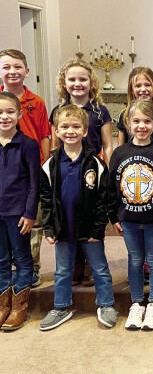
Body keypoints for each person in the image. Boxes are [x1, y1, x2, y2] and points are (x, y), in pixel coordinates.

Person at [39, 105, 117, 331]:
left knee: (100, 267)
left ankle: (107, 304)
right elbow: (46, 199)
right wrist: (49, 228)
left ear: (85, 131)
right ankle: (61, 307)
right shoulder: (50, 164)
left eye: (76, 126)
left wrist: (98, 229)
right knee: (62, 270)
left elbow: (103, 199)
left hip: (89, 228)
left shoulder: (96, 163)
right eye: (64, 126)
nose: (70, 130)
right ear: (56, 131)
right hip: (63, 228)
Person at [108, 99, 153, 331]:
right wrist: (113, 216)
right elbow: (112, 186)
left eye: (147, 121)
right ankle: (136, 303)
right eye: (136, 121)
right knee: (134, 259)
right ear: (127, 124)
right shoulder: (119, 153)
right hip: (129, 219)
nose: (141, 126)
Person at [50, 60, 114, 287]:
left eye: (83, 79)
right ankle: (75, 265)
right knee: (68, 214)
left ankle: (88, 263)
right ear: (64, 83)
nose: (77, 84)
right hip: (67, 169)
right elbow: (55, 144)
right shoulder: (58, 111)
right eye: (72, 79)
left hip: (91, 171)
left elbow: (107, 143)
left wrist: (106, 168)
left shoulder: (99, 110)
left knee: (89, 214)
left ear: (91, 82)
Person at [0, 49, 51, 288]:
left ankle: (33, 269)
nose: (12, 71)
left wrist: (45, 165)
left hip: (30, 168)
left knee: (31, 224)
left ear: (26, 71)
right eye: (6, 67)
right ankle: (8, 273)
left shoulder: (36, 102)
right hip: (5, 166)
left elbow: (44, 136)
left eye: (17, 66)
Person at [0, 91, 40, 330]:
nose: (4, 117)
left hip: (18, 213)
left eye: (9, 112)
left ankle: (19, 306)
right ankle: (3, 305)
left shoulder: (28, 145)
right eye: (0, 113)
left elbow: (35, 183)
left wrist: (30, 213)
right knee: (1, 259)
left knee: (22, 258)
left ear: (19, 114)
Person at [117, 67, 153, 156]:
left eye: (147, 85)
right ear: (131, 89)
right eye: (138, 86)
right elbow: (120, 150)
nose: (143, 89)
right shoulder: (124, 115)